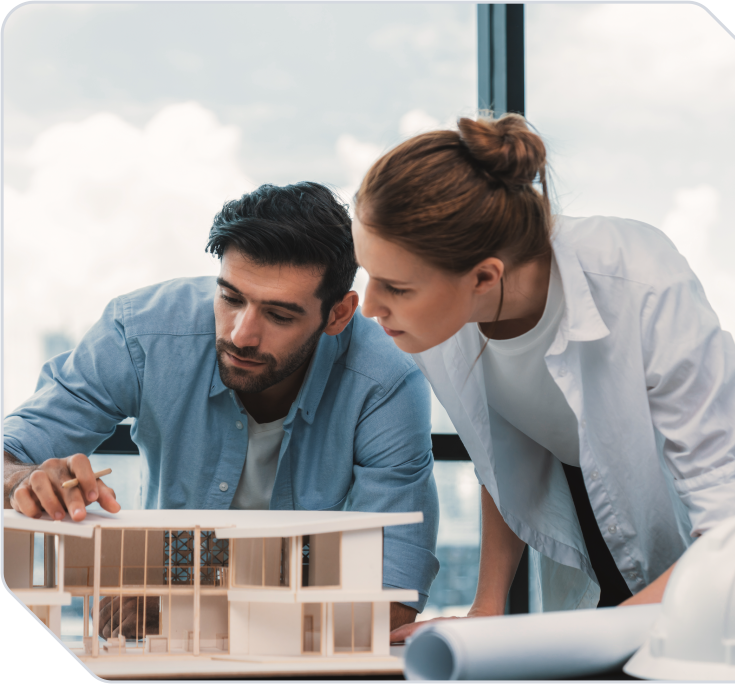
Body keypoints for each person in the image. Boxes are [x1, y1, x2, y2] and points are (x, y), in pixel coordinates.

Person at [349, 113, 735, 641]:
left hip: (710, 540)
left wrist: (581, 638)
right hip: (587, 523)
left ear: (484, 277)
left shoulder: (641, 281)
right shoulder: (435, 315)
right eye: (369, 274)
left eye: (396, 288)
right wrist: (486, 610)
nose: (370, 306)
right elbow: (502, 460)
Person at [4, 181, 439, 633]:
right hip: (182, 650)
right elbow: (8, 454)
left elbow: (391, 598)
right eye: (231, 298)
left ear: (339, 314)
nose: (241, 335)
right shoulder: (141, 334)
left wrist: (170, 607)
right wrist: (24, 481)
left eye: (279, 315)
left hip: (301, 667)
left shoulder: (386, 381)